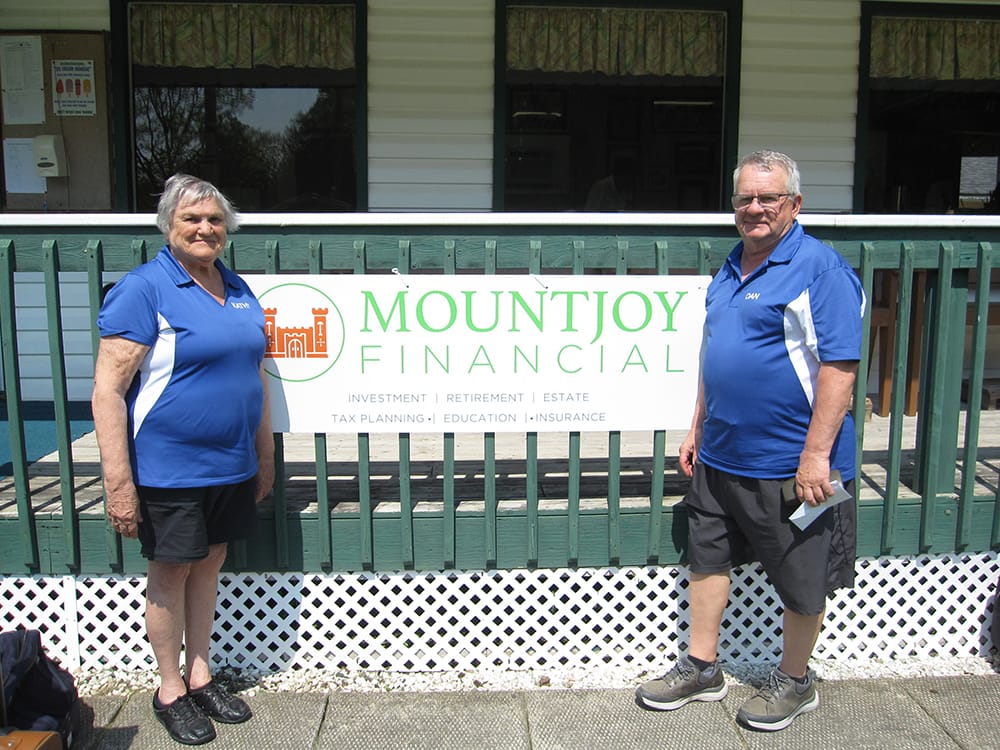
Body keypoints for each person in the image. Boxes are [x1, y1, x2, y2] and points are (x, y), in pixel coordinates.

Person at [635, 150, 864, 731]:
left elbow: (840, 368)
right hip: (720, 456)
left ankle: (796, 681)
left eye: (769, 198)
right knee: (707, 559)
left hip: (793, 465)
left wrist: (816, 455)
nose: (755, 209)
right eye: (745, 198)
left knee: (800, 574)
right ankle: (701, 666)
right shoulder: (730, 267)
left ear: (794, 204)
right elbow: (716, 358)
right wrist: (697, 425)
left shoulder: (822, 271)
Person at [92, 174, 275, 746]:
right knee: (171, 572)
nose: (204, 229)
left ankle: (201, 674)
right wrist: (118, 482)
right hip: (169, 467)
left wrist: (263, 454)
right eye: (191, 219)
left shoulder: (236, 286)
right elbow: (106, 392)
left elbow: (255, 376)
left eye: (215, 220)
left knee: (211, 562)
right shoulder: (144, 288)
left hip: (231, 465)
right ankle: (169, 689)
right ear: (168, 225)